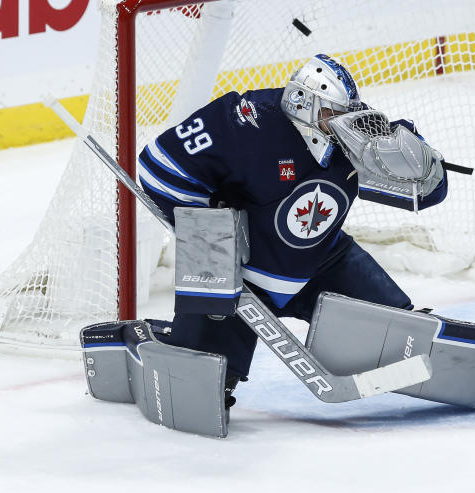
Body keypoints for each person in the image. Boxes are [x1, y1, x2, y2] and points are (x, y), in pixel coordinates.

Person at [136, 54, 447, 407]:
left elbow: (424, 196)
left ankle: (443, 356)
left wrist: (420, 166)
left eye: (345, 112)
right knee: (203, 382)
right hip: (244, 269)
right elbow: (156, 165)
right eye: (332, 114)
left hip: (322, 260)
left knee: (403, 333)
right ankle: (190, 362)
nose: (341, 123)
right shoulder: (245, 120)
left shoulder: (352, 140)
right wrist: (212, 237)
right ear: (305, 104)